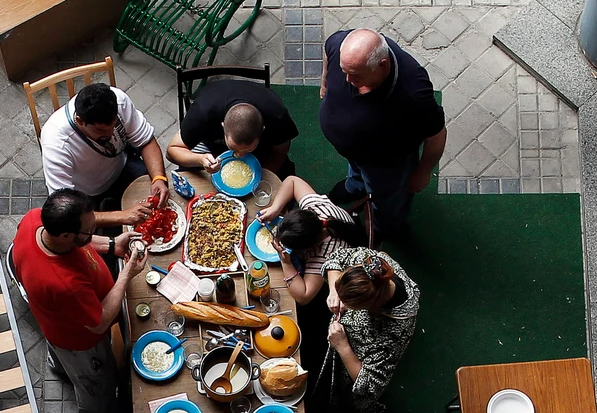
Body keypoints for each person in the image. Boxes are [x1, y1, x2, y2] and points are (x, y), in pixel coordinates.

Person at [9, 189, 146, 413]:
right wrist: (127, 272)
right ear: (66, 235)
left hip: (53, 320)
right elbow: (100, 321)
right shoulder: (64, 283)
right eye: (89, 231)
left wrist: (112, 244)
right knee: (96, 385)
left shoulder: (35, 219)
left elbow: (80, 243)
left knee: (62, 356)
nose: (93, 233)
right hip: (81, 342)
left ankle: (60, 366)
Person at [318, 29, 446, 238]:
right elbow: (328, 50)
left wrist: (423, 173)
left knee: (388, 201)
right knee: (357, 169)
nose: (348, 79)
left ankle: (382, 227)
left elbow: (437, 134)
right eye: (344, 71)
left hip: (387, 163)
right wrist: (325, 82)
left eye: (356, 75)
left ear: (382, 65)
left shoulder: (414, 93)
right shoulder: (341, 44)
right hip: (355, 152)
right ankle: (356, 186)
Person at [320, 245, 420, 413]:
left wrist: (343, 347)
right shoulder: (371, 266)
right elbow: (337, 257)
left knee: (336, 410)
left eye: (350, 305)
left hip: (347, 374)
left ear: (370, 308)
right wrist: (334, 289)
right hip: (337, 345)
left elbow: (370, 384)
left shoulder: (394, 332)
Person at [40, 82, 170, 214]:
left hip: (121, 166)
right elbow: (64, 209)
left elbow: (146, 141)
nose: (110, 134)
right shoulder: (56, 143)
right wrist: (123, 216)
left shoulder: (120, 101)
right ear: (79, 121)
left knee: (162, 194)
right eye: (100, 131)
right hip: (87, 192)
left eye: (113, 126)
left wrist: (158, 178)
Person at [256, 175, 364, 306]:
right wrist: (275, 209)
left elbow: (303, 297)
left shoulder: (324, 255)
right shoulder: (314, 208)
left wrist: (286, 263)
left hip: (346, 257)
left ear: (304, 249)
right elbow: (292, 181)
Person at [165, 77, 298, 176]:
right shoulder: (203, 112)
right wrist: (200, 159)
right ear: (222, 126)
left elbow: (281, 148)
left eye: (248, 150)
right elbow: (172, 151)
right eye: (234, 148)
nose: (239, 156)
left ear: (263, 130)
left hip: (263, 149)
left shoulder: (276, 114)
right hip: (210, 144)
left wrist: (264, 174)